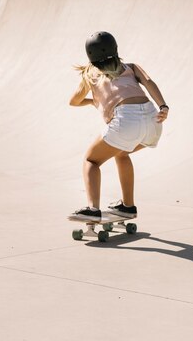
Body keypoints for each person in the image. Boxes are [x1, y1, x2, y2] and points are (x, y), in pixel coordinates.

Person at [69, 31, 169, 221]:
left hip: (126, 121)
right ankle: (127, 207)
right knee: (121, 153)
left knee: (91, 161)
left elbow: (73, 101)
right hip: (153, 120)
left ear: (90, 55)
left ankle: (92, 209)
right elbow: (148, 82)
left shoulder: (90, 74)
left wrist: (91, 101)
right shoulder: (130, 67)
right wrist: (163, 106)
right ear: (115, 48)